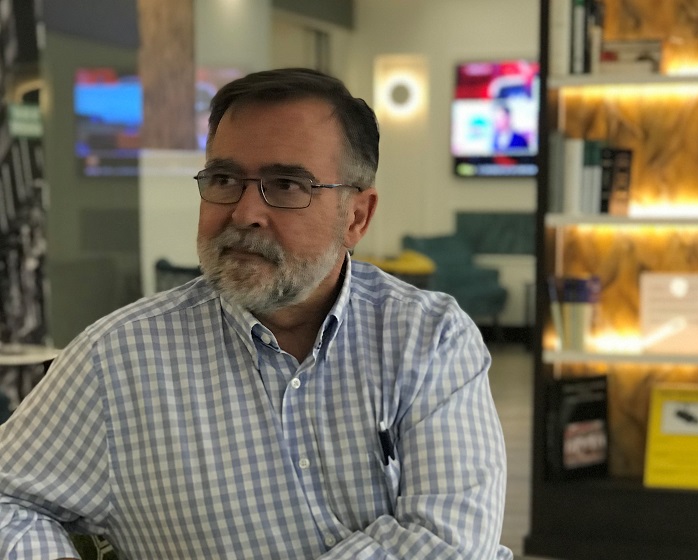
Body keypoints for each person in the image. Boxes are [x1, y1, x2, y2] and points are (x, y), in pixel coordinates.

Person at [0, 68, 512, 559]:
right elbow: (9, 501)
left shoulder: (428, 339)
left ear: (357, 216)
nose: (244, 213)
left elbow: (448, 541)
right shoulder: (117, 361)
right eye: (224, 178)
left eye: (286, 185)